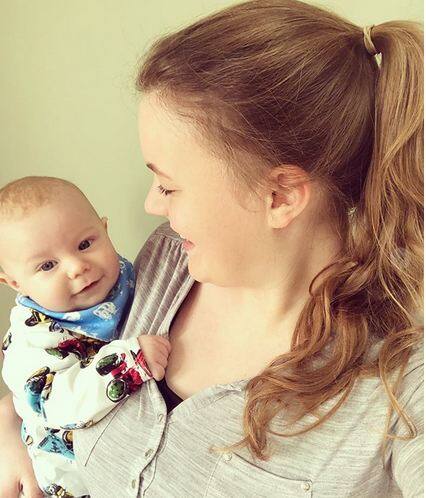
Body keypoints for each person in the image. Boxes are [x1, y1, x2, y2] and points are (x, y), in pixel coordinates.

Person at [0, 0, 423, 496]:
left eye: (169, 185)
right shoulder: (166, 260)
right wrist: (11, 424)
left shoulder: (401, 374)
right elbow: (55, 352)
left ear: (280, 197)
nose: (151, 205)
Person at [0, 177, 170, 498]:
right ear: (16, 284)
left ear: (105, 230)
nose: (77, 267)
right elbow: (60, 404)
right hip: (68, 472)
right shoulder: (32, 341)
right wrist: (128, 363)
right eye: (47, 265)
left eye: (85, 244)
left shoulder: (124, 278)